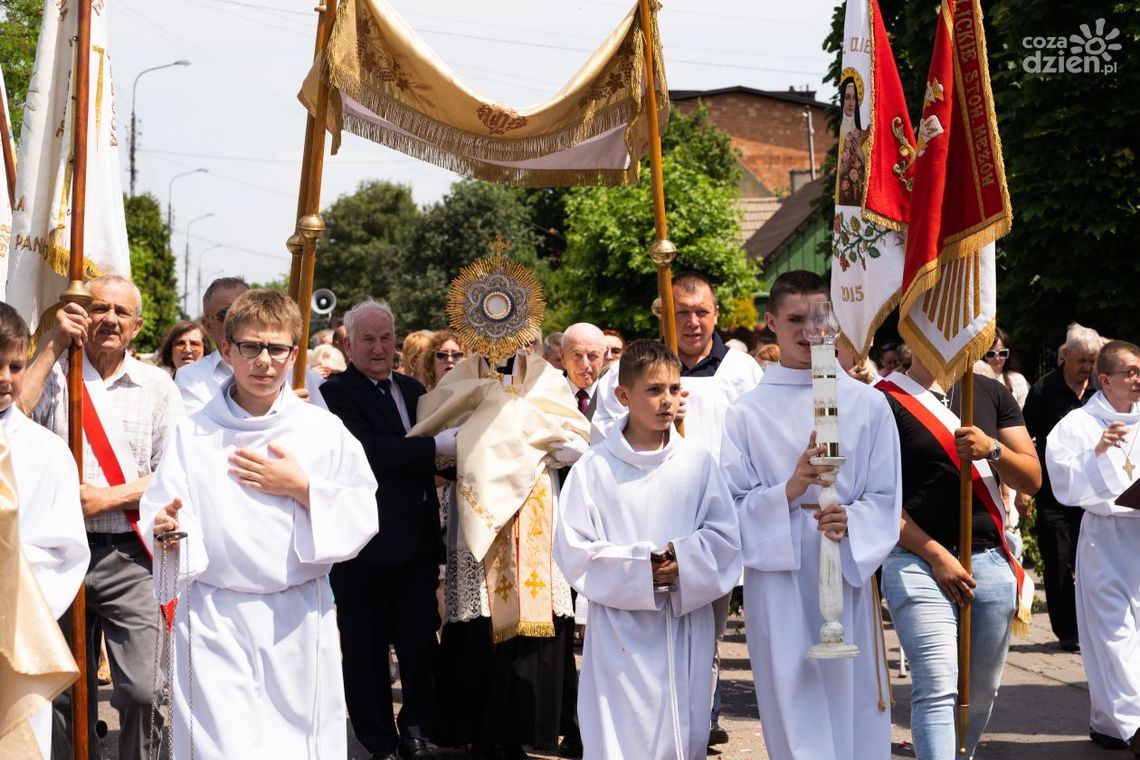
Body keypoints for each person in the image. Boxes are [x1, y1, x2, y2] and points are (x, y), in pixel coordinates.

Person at [139, 289, 379, 760]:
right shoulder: (194, 431)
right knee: (220, 747)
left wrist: (302, 487)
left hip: (296, 617)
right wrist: (168, 527)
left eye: (277, 348)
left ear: (295, 353)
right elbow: (164, 509)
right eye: (251, 347)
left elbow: (363, 510)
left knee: (294, 744)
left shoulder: (321, 431)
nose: (264, 361)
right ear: (226, 350)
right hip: (213, 614)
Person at [720, 270, 902, 759]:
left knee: (855, 702)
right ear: (771, 324)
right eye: (795, 320)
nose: (808, 332)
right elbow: (730, 508)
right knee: (791, 700)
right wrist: (790, 488)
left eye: (818, 319)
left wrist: (853, 520)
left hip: (844, 573)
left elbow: (887, 495)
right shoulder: (746, 413)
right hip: (778, 579)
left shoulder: (868, 405)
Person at [592, 271, 763, 746]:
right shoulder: (630, 371)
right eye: (681, 312)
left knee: (703, 638)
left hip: (711, 527)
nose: (692, 322)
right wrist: (649, 416)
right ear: (663, 314)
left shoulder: (742, 373)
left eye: (701, 312)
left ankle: (696, 723)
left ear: (716, 316)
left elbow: (758, 447)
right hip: (642, 521)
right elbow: (601, 440)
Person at [20, 274, 184, 760]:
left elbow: (173, 474)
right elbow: (12, 419)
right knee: (63, 693)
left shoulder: (157, 386)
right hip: (56, 554)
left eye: (121, 312)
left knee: (142, 691)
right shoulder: (52, 374)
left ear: (136, 326)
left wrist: (106, 499)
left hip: (127, 554)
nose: (109, 318)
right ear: (80, 315)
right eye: (98, 308)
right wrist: (51, 343)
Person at [553, 339, 741, 759]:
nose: (667, 401)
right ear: (623, 396)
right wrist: (644, 567)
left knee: (684, 736)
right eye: (654, 390)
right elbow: (574, 548)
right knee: (620, 737)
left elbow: (725, 538)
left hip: (682, 624)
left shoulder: (697, 461)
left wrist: (685, 562)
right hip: (620, 630)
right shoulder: (594, 468)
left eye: (674, 389)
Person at [878, 353, 1041, 760]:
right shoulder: (883, 400)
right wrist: (936, 556)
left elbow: (1033, 479)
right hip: (916, 557)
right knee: (936, 683)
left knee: (981, 689)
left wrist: (992, 450)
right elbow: (877, 501)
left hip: (987, 557)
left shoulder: (990, 392)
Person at [319, 299, 456, 760]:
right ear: (349, 343)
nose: (378, 348)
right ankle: (377, 740)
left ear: (396, 339)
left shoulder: (414, 388)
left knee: (419, 640)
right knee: (365, 648)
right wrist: (433, 448)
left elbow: (440, 452)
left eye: (385, 338)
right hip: (364, 546)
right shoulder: (335, 394)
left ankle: (417, 729)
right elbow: (368, 451)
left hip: (417, 542)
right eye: (368, 340)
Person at [0, 302, 89, 758]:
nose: (5, 378)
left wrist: (15, 585)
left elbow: (67, 548)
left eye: (16, 365)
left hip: (20, 628)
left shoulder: (49, 452)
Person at [1045, 340, 1140, 755]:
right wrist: (1097, 452)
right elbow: (1062, 483)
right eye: (1131, 372)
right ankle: (1135, 727)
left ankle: (1107, 724)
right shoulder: (1078, 425)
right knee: (1113, 635)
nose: (1138, 380)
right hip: (1106, 537)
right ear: (1105, 379)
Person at [1022, 322, 1100, 651]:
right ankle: (1067, 632)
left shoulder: (1100, 391)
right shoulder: (1043, 391)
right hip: (1053, 492)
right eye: (1082, 360)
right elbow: (1025, 438)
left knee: (1090, 561)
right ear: (1065, 355)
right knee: (1057, 560)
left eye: (1092, 361)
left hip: (1093, 493)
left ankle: (1091, 624)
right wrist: (1025, 487)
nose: (1087, 368)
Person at [176, 276, 327, 414]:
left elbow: (322, 431)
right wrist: (281, 410)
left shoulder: (300, 375)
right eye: (226, 314)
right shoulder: (191, 377)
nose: (264, 360)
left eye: (249, 313)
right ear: (207, 325)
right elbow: (201, 432)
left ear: (293, 355)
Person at [983, 328, 1029, 408]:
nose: (997, 358)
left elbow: (1023, 413)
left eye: (1002, 353)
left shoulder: (1018, 380)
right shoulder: (974, 379)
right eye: (991, 354)